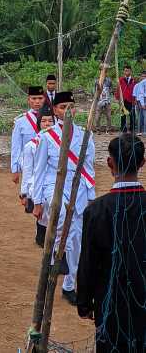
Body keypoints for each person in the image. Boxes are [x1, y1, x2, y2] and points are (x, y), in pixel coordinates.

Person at [77, 134, 146, 353]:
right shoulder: (96, 210)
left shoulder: (96, 210)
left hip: (109, 301)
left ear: (109, 162)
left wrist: (85, 302)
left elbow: (88, 261)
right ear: (143, 163)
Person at [32, 91, 95, 306]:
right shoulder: (47, 136)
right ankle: (53, 263)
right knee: (59, 220)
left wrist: (91, 195)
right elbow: (39, 170)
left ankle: (69, 285)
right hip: (53, 186)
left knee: (76, 239)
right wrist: (37, 201)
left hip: (78, 188)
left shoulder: (85, 135)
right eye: (62, 107)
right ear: (55, 110)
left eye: (71, 106)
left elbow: (89, 167)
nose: (67, 110)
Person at [20, 108, 55, 247]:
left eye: (50, 121)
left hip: (54, 182)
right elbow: (27, 170)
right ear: (38, 123)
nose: (47, 124)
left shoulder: (61, 143)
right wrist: (24, 194)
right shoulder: (31, 146)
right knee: (43, 212)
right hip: (37, 184)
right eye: (44, 121)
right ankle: (41, 235)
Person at [11, 86, 45, 185]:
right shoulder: (20, 121)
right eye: (34, 98)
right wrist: (15, 169)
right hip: (28, 164)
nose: (37, 101)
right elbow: (16, 147)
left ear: (44, 99)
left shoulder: (52, 119)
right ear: (28, 100)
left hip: (47, 164)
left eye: (40, 98)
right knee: (28, 194)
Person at [115, 65, 136, 132]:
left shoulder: (134, 80)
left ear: (130, 71)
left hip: (131, 100)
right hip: (123, 100)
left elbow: (136, 90)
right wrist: (118, 98)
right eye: (125, 70)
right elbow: (118, 89)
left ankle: (132, 129)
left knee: (132, 115)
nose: (126, 72)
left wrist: (135, 99)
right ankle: (123, 129)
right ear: (124, 71)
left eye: (128, 70)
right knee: (123, 116)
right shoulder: (121, 80)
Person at [133, 70, 146, 136]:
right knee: (141, 116)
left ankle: (143, 130)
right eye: (142, 76)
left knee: (143, 116)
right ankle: (140, 130)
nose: (143, 77)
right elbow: (136, 94)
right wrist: (140, 103)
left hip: (142, 100)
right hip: (139, 101)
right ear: (140, 77)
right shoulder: (137, 85)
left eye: (145, 76)